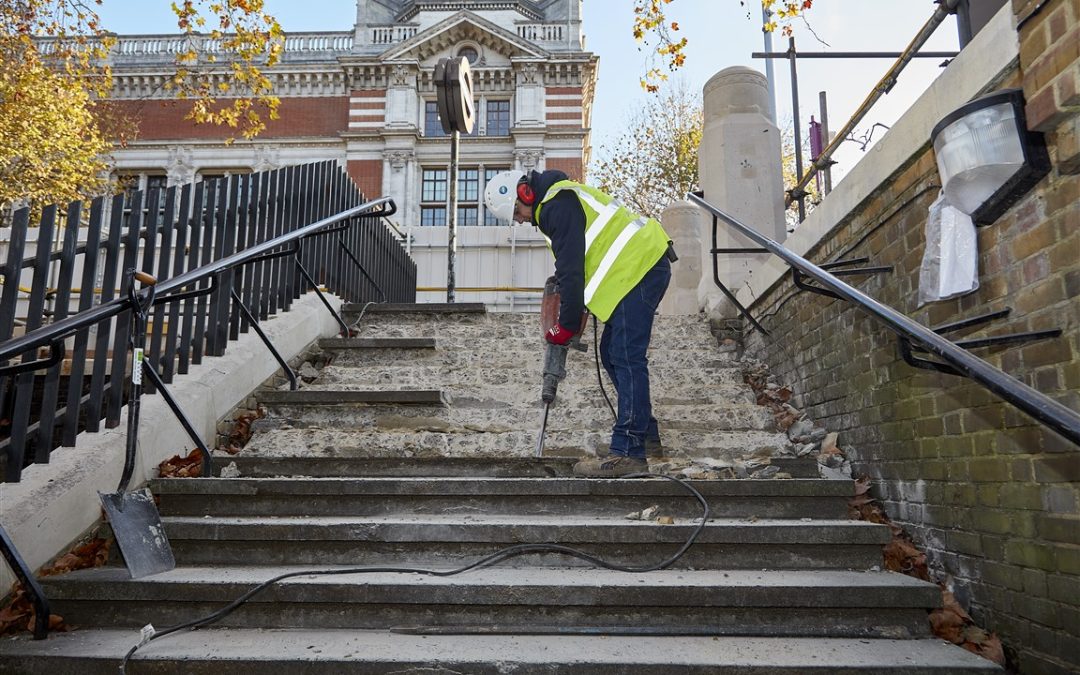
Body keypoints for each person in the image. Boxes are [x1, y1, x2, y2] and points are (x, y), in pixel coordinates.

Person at [484, 169, 674, 478]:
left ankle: (629, 452)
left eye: (517, 213)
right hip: (637, 270)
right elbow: (577, 265)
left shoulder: (556, 206)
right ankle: (646, 435)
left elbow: (572, 271)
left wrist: (567, 326)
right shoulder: (559, 200)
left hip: (640, 266)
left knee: (626, 356)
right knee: (613, 353)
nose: (519, 221)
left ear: (525, 194)